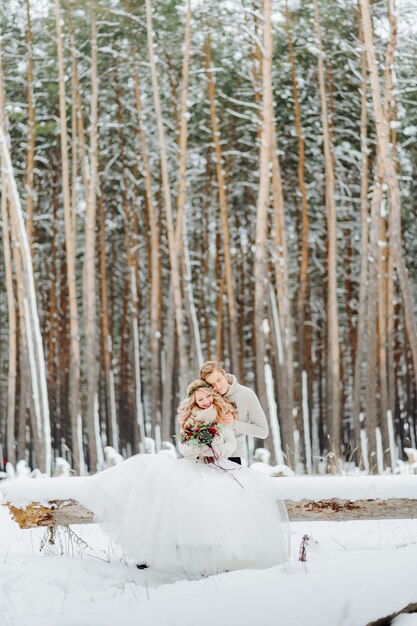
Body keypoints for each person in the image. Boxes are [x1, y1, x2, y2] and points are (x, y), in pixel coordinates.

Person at [73, 379, 289, 578]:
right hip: (193, 465)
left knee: (224, 500)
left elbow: (230, 444)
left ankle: (224, 557)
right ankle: (157, 554)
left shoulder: (223, 419)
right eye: (199, 399)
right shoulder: (191, 421)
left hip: (220, 466)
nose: (204, 401)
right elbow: (185, 447)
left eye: (207, 396)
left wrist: (215, 450)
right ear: (193, 401)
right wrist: (200, 449)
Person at [200, 360, 269, 464]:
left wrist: (234, 424)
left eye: (218, 380)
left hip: (233, 458)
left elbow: (263, 431)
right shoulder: (207, 398)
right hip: (207, 457)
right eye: (212, 385)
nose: (217, 387)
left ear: (224, 373)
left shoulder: (246, 395)